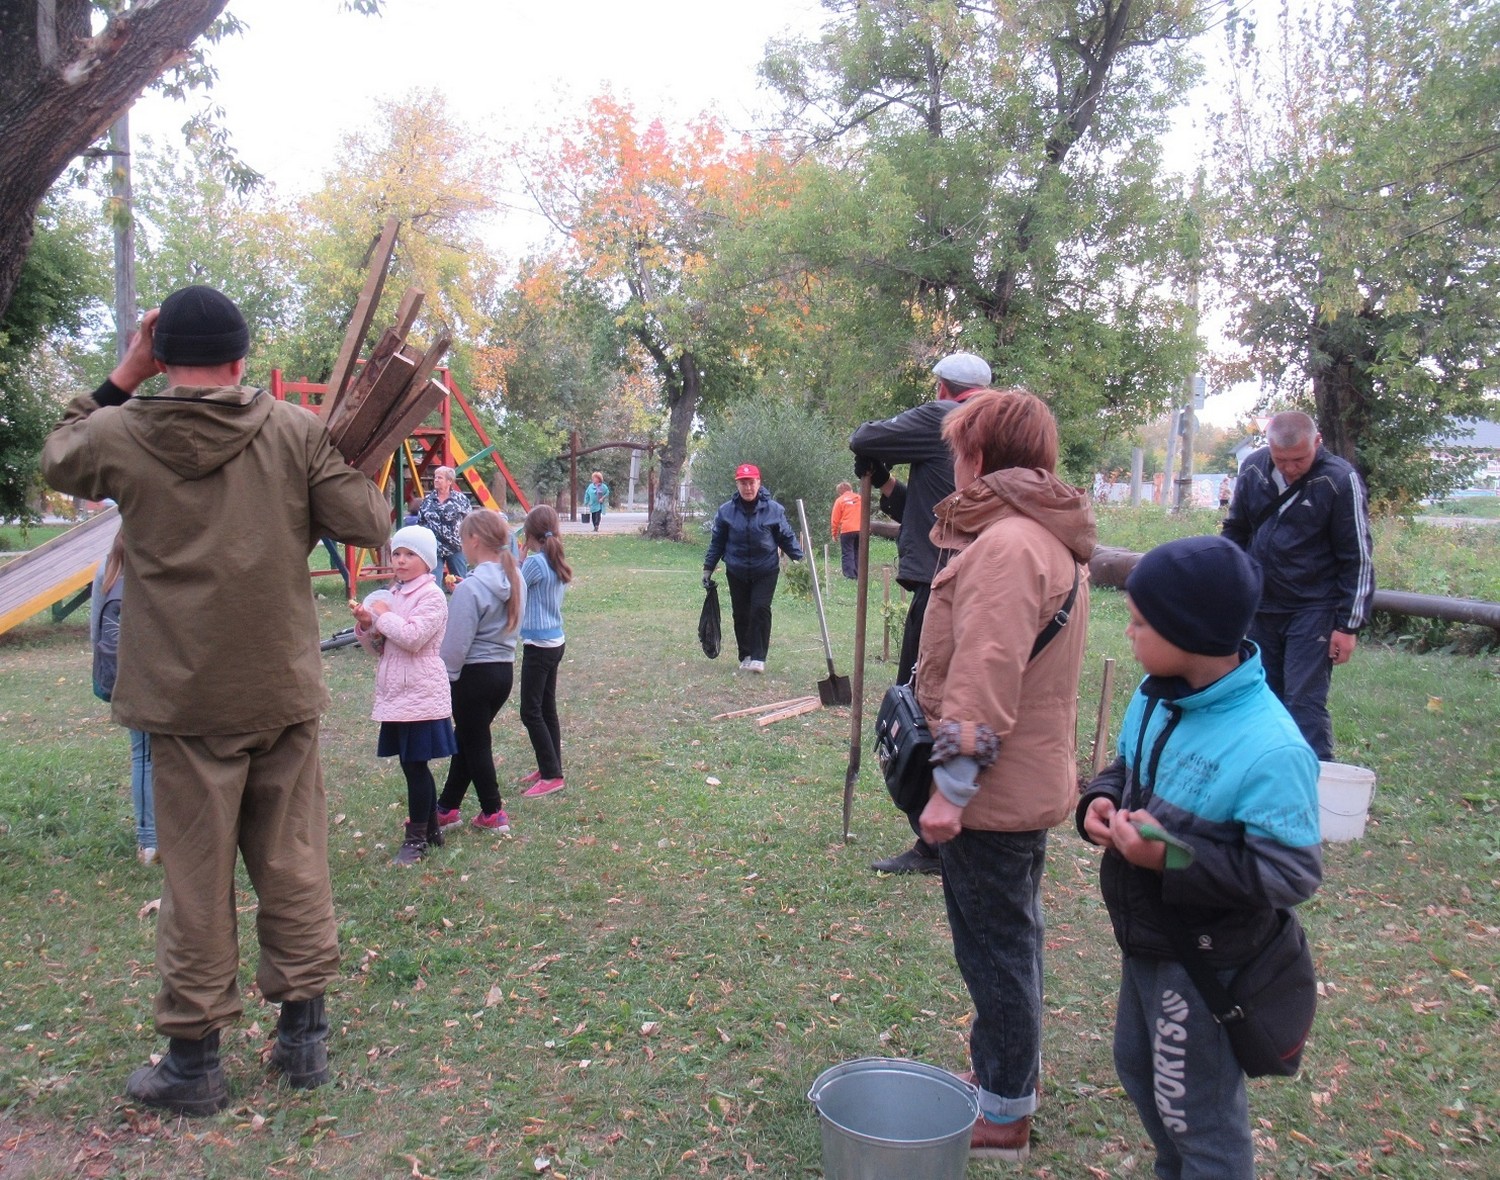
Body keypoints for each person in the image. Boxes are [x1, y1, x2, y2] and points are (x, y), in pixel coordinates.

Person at [41, 285, 391, 1115]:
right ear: (240, 359)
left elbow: (57, 457)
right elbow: (371, 522)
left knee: (196, 881)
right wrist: (337, 460)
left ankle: (194, 1064)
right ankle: (303, 1040)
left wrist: (125, 375)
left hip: (183, 698)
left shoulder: (120, 432)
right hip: (278, 689)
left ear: (161, 356)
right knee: (293, 860)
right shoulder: (294, 432)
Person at [1077, 535, 1323, 1179]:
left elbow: (1291, 874)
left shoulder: (1270, 749)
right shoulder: (1157, 695)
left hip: (1208, 958)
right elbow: (1127, 766)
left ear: (1188, 632)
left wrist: (1171, 861)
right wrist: (1100, 800)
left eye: (1139, 622)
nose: (1128, 632)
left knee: (1197, 1112)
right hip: (1149, 937)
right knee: (1140, 1068)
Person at [912, 389, 1095, 1161]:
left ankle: (1006, 1112)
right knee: (1009, 942)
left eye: (960, 450)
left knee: (996, 952)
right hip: (1020, 782)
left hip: (993, 792)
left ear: (980, 457)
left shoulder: (1012, 545)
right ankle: (1002, 1075)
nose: (954, 464)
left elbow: (985, 675)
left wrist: (951, 789)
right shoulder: (1037, 537)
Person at [849, 349, 992, 875]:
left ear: (943, 388)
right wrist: (887, 483)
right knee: (962, 698)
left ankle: (934, 837)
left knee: (922, 700)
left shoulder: (945, 417)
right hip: (982, 581)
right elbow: (938, 507)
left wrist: (872, 453)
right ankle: (961, 823)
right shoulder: (1000, 426)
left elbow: (864, 436)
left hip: (943, 585)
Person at [1222, 411, 1374, 760]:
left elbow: (1357, 556)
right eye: (1282, 460)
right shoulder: (1254, 469)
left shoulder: (1339, 480)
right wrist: (1225, 582)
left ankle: (1315, 775)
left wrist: (1348, 626)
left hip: (1314, 608)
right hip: (1261, 605)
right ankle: (1264, 771)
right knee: (1261, 696)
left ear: (1317, 442)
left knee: (1303, 703)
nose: (1290, 468)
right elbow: (1236, 531)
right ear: (1269, 448)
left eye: (1299, 460)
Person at [352, 525, 457, 867]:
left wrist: (382, 616)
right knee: (412, 765)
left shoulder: (432, 596)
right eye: (397, 553)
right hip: (396, 692)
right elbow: (379, 648)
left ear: (426, 561)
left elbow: (412, 638)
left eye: (410, 554)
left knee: (415, 766)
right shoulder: (393, 594)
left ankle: (416, 840)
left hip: (421, 691)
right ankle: (431, 831)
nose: (400, 560)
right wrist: (366, 624)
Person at [434, 510, 523, 833]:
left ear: (474, 540)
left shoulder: (470, 589)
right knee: (468, 738)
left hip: (473, 677)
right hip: (503, 674)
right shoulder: (516, 578)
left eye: (461, 539)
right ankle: (447, 808)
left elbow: (456, 644)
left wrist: (444, 677)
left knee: (476, 743)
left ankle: (492, 811)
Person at [90, 530, 157, 866]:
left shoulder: (108, 569)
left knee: (143, 754)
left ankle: (150, 841)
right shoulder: (158, 567)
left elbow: (96, 631)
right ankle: (158, 838)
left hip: (125, 676)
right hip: (163, 674)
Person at [701, 463, 804, 674]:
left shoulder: (774, 510)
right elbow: (717, 542)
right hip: (736, 570)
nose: (748, 487)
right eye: (743, 483)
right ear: (737, 485)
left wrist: (800, 560)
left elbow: (786, 537)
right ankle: (745, 655)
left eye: (751, 483)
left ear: (759, 483)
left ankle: (758, 657)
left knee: (759, 609)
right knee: (741, 613)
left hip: (765, 569)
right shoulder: (726, 511)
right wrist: (708, 567)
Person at [516, 505, 573, 798]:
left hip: (539, 646)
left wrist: (518, 561)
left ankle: (551, 775)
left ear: (528, 534)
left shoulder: (536, 563)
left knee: (530, 711)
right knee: (546, 708)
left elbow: (513, 590)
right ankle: (550, 765)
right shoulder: (553, 558)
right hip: (554, 641)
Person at [415, 465, 473, 583]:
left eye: (440, 478)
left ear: (449, 481)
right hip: (433, 547)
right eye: (435, 477)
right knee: (433, 582)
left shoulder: (461, 500)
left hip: (455, 547)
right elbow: (420, 523)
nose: (436, 480)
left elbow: (470, 521)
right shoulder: (427, 500)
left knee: (460, 581)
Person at [829, 480, 861, 579]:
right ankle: (858, 574)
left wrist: (834, 534)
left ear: (840, 492)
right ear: (851, 489)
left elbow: (835, 519)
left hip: (847, 530)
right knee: (857, 551)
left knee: (847, 552)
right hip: (860, 529)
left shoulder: (840, 501)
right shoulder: (860, 498)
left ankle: (849, 575)